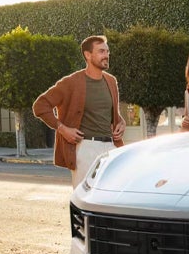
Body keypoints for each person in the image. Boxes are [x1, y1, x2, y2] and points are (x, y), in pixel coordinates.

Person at [33, 35, 126, 188]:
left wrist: (121, 123)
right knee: (85, 197)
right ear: (88, 55)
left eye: (107, 51)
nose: (107, 55)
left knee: (111, 195)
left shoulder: (111, 81)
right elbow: (40, 106)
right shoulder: (71, 82)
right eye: (101, 51)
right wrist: (62, 129)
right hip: (85, 148)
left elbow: (112, 113)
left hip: (110, 147)